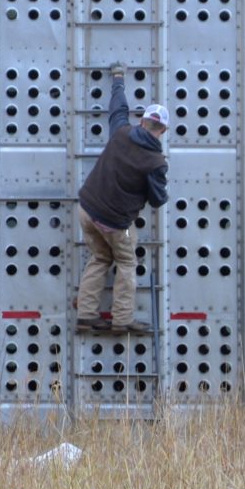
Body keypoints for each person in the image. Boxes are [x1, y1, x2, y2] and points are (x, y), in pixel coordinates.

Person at [73, 65, 169, 334]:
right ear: (163, 130)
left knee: (100, 257)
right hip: (115, 223)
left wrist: (117, 81)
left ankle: (86, 315)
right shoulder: (156, 162)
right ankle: (122, 320)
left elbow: (118, 109)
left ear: (143, 121)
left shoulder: (121, 132)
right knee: (126, 262)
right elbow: (158, 199)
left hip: (87, 210)